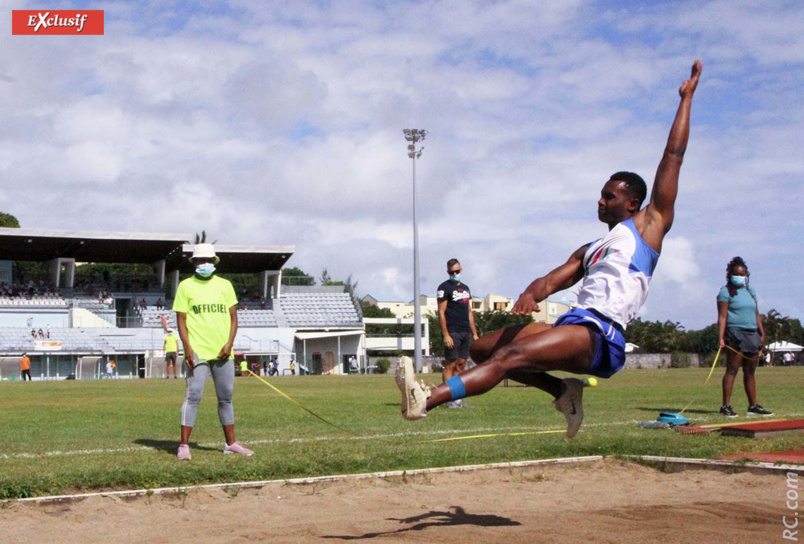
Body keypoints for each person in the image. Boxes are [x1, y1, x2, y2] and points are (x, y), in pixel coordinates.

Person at [396, 60, 703, 438]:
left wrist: (685, 99)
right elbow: (550, 281)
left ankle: (424, 399)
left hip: (602, 336)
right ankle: (564, 392)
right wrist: (529, 293)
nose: (600, 200)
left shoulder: (650, 225)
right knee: (483, 350)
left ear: (632, 202)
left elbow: (673, 156)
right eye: (601, 194)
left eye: (609, 196)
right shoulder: (591, 248)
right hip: (572, 324)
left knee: (509, 358)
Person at [173, 243, 253, 460]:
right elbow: (181, 319)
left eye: (208, 260)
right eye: (200, 260)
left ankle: (231, 443)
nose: (204, 264)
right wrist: (187, 347)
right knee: (194, 395)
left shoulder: (225, 286)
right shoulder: (185, 286)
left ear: (214, 262)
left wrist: (229, 343)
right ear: (194, 263)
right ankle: (183, 446)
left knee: (226, 397)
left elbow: (234, 317)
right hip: (197, 350)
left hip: (222, 351)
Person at [717, 257, 772, 417]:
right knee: (732, 369)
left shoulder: (750, 291)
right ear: (730, 275)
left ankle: (753, 406)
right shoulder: (725, 292)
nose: (740, 277)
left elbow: (756, 313)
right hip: (735, 333)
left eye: (742, 274)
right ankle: (726, 406)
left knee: (750, 371)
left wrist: (761, 333)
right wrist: (721, 337)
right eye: (736, 274)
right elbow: (722, 316)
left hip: (752, 333)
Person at [437, 259, 479, 407]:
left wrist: (474, 333)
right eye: (451, 272)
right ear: (448, 272)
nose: (454, 274)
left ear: (461, 270)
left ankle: (458, 398)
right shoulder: (444, 288)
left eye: (456, 271)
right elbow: (441, 312)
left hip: (465, 331)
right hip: (452, 330)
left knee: (461, 364)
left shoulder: (466, 288)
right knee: (450, 364)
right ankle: (447, 398)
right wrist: (445, 334)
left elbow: (469, 312)